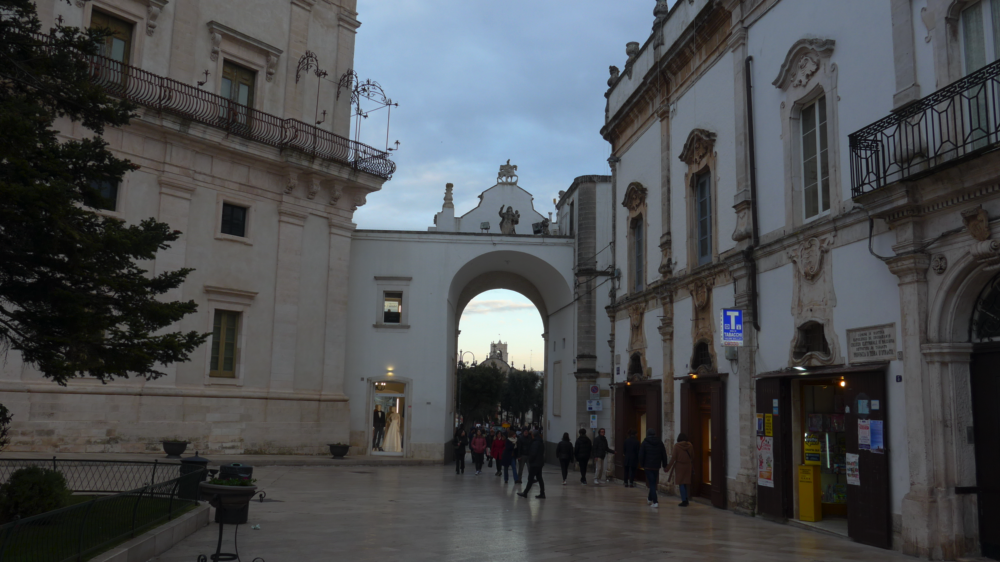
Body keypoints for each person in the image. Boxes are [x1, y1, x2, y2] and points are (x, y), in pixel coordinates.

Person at [638, 429, 668, 508]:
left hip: (648, 466)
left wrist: (641, 464)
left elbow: (641, 455)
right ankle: (649, 498)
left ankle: (655, 501)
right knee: (653, 482)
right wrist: (665, 465)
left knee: (651, 483)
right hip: (656, 466)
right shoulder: (660, 442)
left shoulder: (645, 443)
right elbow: (663, 454)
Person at [665, 433, 694, 507]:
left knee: (681, 483)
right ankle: (687, 499)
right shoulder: (690, 445)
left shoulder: (677, 446)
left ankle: (684, 500)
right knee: (686, 483)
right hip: (688, 466)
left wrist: (668, 468)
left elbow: (673, 458)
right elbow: (693, 456)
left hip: (679, 466)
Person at [517, 429, 546, 499]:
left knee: (530, 479)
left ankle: (525, 493)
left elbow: (533, 453)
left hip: (535, 463)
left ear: (533, 435)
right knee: (539, 478)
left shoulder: (535, 443)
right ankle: (542, 493)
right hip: (539, 463)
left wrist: (530, 460)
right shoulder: (540, 442)